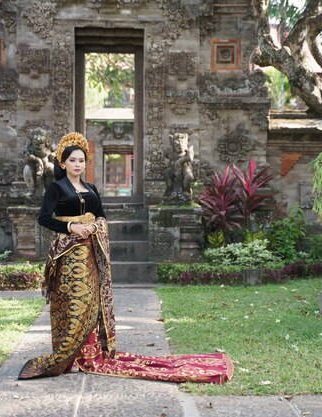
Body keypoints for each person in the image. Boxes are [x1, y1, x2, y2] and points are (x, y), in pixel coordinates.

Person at [18, 132, 233, 383]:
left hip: (90, 253)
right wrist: (71, 227)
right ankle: (68, 355)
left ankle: (87, 354)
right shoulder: (56, 188)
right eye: (73, 161)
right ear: (63, 163)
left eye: (81, 160)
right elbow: (44, 218)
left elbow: (101, 217)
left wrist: (95, 226)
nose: (78, 165)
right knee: (70, 302)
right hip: (68, 254)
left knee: (91, 301)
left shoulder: (91, 189)